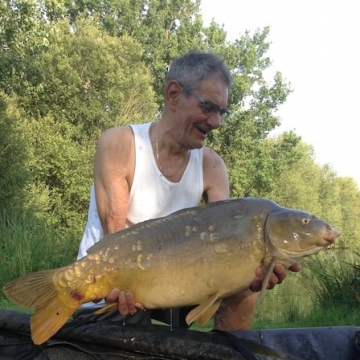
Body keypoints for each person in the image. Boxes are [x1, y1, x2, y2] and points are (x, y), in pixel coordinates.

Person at [75, 50, 301, 330]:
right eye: (208, 107)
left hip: (175, 278)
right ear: (173, 94)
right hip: (109, 277)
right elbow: (116, 242)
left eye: (221, 112)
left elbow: (230, 236)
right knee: (126, 312)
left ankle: (226, 351)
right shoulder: (120, 144)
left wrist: (258, 268)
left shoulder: (212, 166)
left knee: (245, 291)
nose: (216, 122)